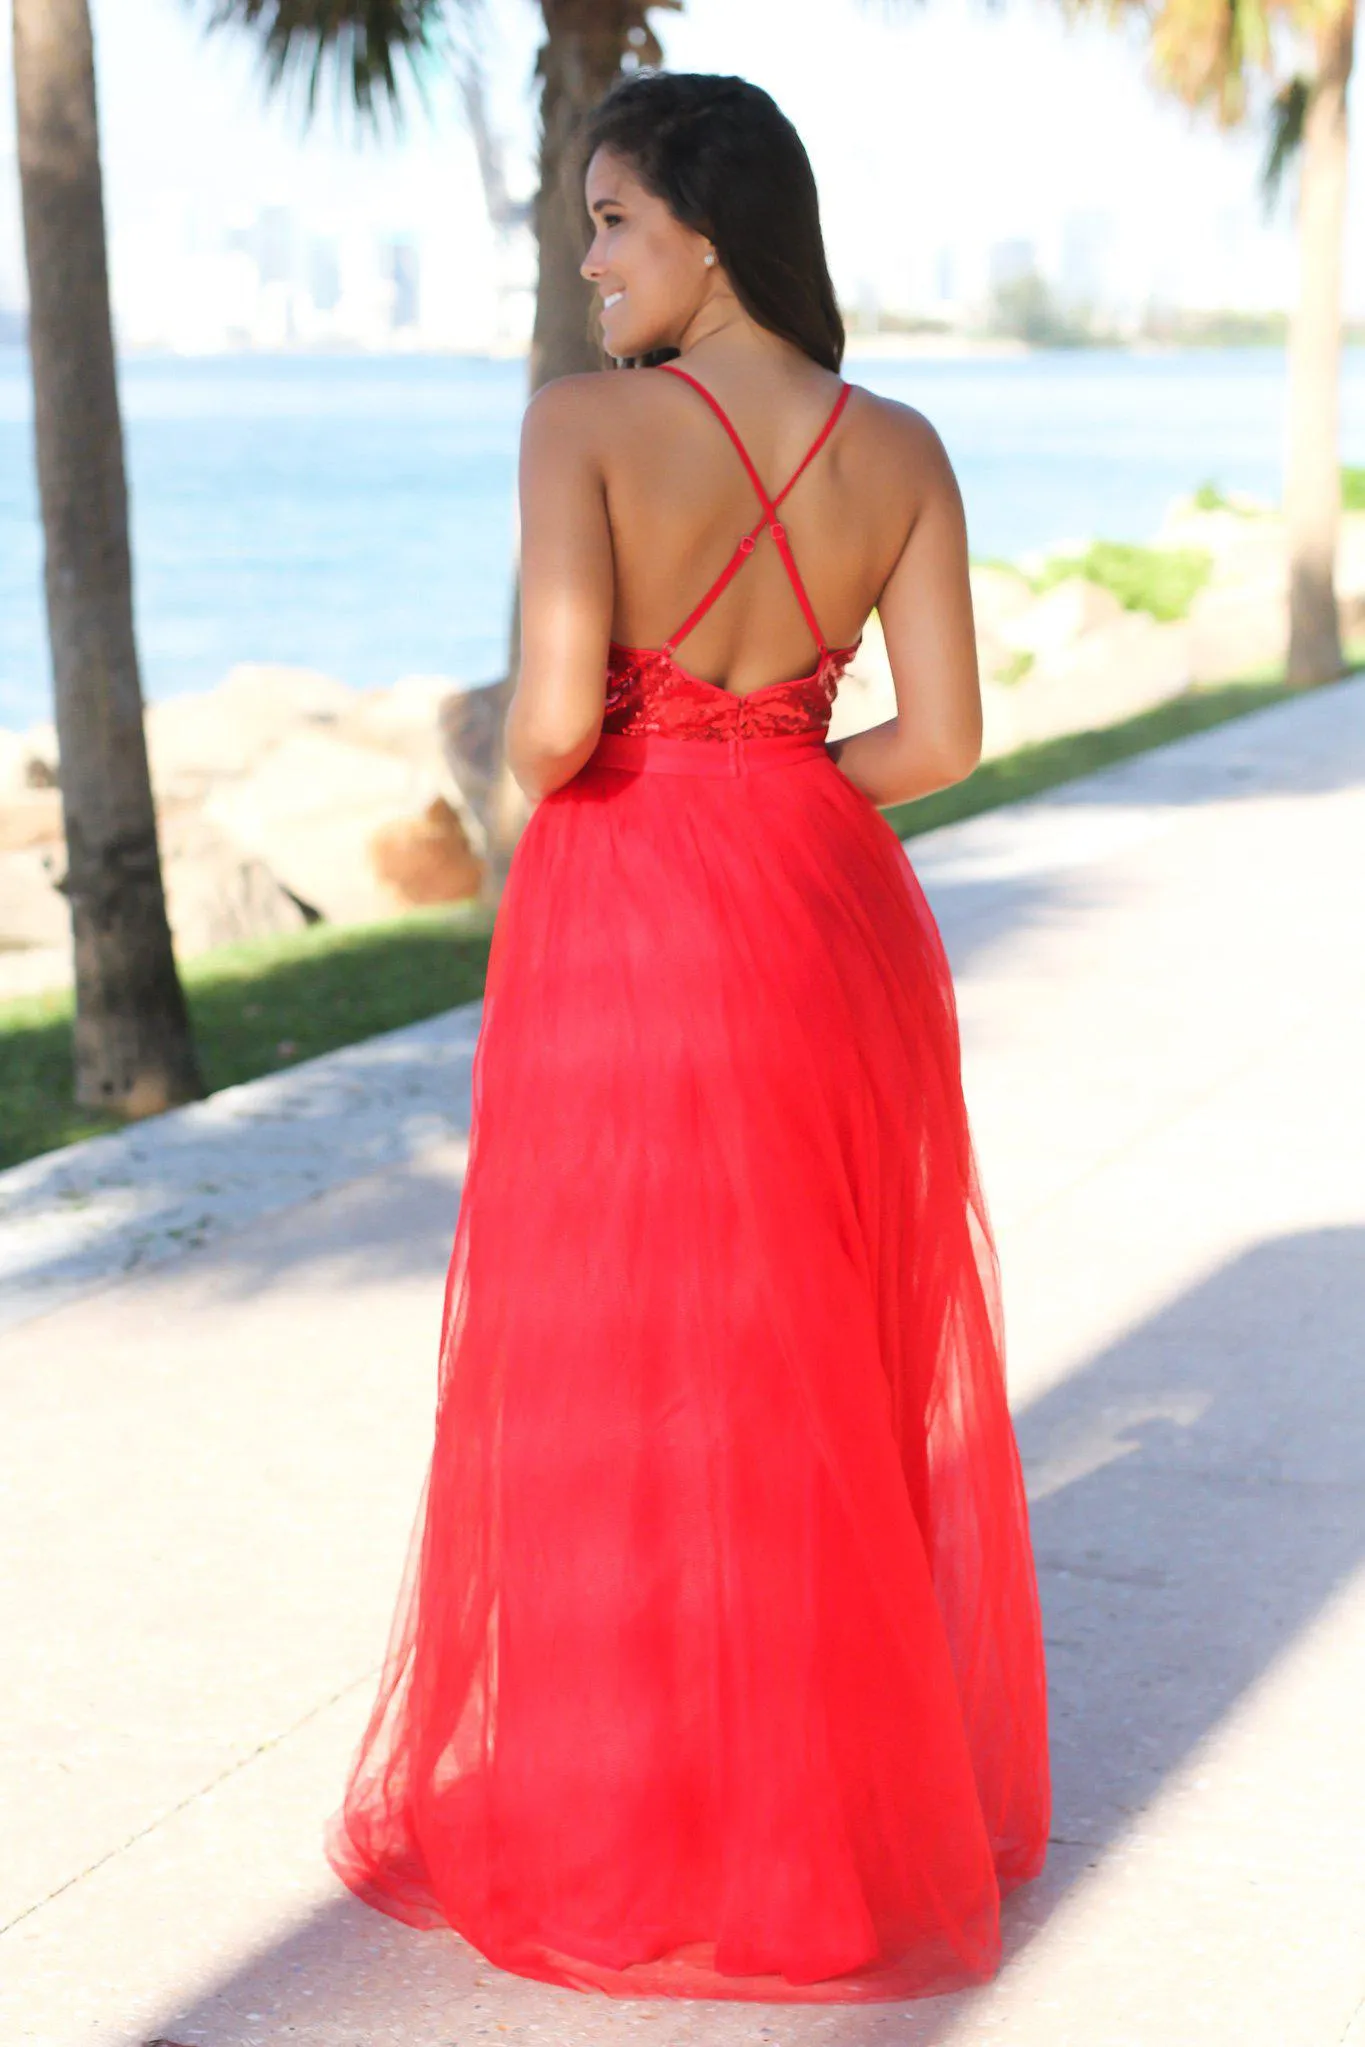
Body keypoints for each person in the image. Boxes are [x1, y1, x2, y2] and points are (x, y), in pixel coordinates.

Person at [325, 69, 1050, 2005]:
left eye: (613, 223)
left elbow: (557, 720)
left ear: (711, 234)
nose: (589, 268)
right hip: (820, 906)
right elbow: (947, 741)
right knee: (806, 1360)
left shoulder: (583, 425)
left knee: (614, 1363)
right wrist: (781, 782)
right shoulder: (901, 443)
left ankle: (640, 1815)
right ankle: (817, 1831)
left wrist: (522, 763)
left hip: (630, 907)